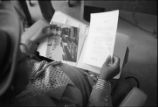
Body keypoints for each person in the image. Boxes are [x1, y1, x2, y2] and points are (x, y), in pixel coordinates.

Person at [0, 1, 138, 106]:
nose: (27, 56)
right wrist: (103, 80)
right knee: (122, 52)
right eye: (20, 57)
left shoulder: (14, 78)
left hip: (60, 68)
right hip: (91, 86)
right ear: (11, 85)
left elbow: (16, 56)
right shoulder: (36, 102)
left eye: (16, 49)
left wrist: (30, 43)